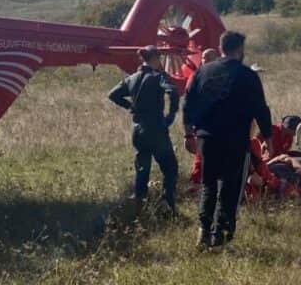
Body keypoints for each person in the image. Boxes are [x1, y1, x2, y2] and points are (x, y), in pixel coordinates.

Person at [184, 30, 273, 248]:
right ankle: (221, 236)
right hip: (234, 140)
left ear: (221, 47)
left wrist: (188, 134)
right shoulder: (247, 75)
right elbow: (261, 110)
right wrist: (268, 138)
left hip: (206, 139)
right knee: (230, 187)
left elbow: (188, 105)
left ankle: (203, 231)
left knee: (209, 184)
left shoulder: (202, 72)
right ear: (240, 49)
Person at [108, 46, 180, 213]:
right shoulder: (158, 77)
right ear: (154, 58)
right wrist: (171, 114)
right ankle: (167, 204)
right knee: (170, 168)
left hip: (138, 130)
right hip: (156, 129)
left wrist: (130, 106)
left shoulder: (131, 78)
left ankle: (139, 204)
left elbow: (113, 94)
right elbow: (173, 91)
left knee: (142, 167)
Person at [185, 48, 220, 192]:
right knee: (202, 156)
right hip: (203, 127)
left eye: (208, 58)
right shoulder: (195, 78)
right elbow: (188, 106)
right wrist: (188, 134)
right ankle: (198, 185)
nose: (205, 61)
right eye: (204, 58)